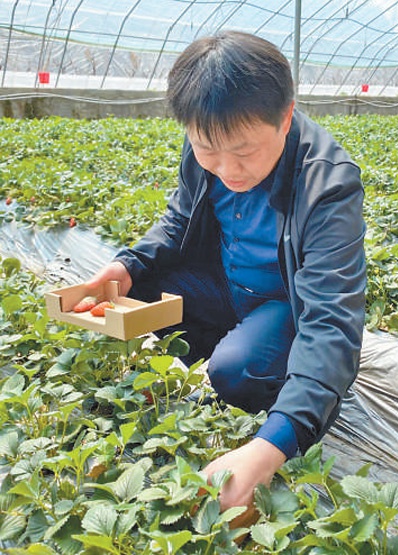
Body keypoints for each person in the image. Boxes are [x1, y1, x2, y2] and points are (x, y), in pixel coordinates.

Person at [87, 31, 366, 523]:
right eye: (207, 150)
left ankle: (269, 377)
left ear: (285, 117)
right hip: (226, 285)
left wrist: (273, 444)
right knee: (140, 295)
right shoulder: (208, 145)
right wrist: (126, 265)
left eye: (243, 152)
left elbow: (330, 319)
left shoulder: (329, 181)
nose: (225, 169)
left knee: (234, 371)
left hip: (285, 304)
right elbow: (176, 221)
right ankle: (227, 345)